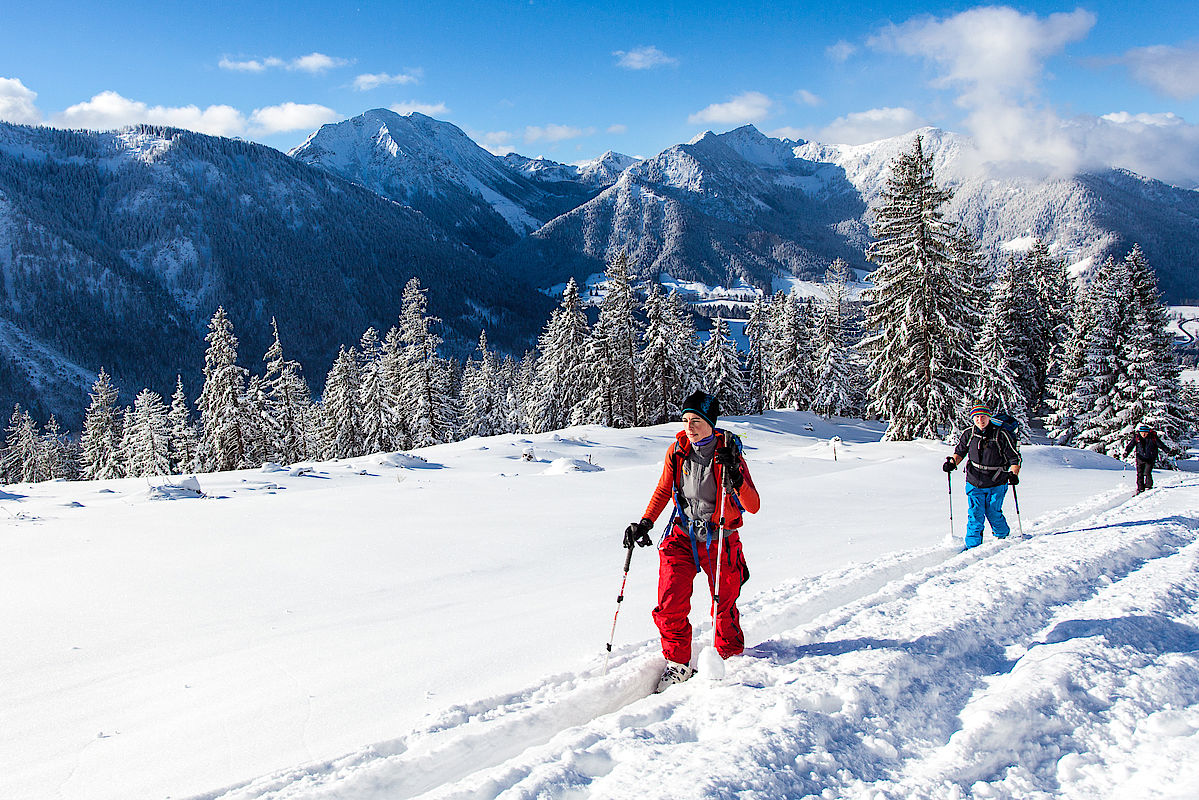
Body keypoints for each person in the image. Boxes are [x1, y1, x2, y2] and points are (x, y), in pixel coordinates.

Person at [623, 390, 761, 692]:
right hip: (682, 535)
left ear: (711, 422)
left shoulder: (728, 452)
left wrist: (735, 475)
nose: (690, 426)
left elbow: (753, 505)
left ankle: (730, 656)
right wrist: (645, 522)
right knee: (669, 604)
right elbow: (663, 490)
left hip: (720, 537)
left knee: (724, 605)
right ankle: (678, 664)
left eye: (696, 420)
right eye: (686, 420)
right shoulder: (677, 450)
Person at [943, 405, 1021, 548]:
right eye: (977, 417)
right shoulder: (969, 433)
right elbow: (960, 452)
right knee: (975, 514)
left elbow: (1014, 458)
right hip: (974, 481)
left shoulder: (1001, 434)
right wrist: (952, 464)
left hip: (997, 481)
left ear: (989, 417)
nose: (980, 420)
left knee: (993, 511)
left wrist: (1013, 474)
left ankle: (1002, 537)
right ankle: (973, 546)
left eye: (983, 417)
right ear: (973, 418)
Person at [1123, 423, 1161, 494]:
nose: (1143, 435)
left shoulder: (1153, 438)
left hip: (1150, 458)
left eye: (1145, 433)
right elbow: (1130, 445)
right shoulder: (1137, 438)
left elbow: (1161, 445)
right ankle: (1140, 488)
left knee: (1147, 472)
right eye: (1142, 433)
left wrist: (1169, 451)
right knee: (1139, 474)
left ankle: (1148, 486)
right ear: (1139, 432)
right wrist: (1126, 452)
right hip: (1140, 458)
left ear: (1148, 433)